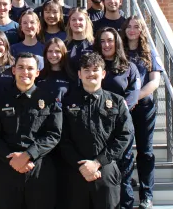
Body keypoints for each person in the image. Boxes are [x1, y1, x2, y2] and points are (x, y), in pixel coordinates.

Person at [0, 53, 63, 209]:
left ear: (37, 73)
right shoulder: (1, 99)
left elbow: (53, 134)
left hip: (38, 170)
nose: (25, 72)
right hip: (6, 168)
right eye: (21, 67)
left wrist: (28, 155)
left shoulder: (48, 100)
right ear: (13, 70)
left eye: (30, 68)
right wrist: (11, 159)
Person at [60, 52, 133, 209]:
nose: (91, 73)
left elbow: (125, 135)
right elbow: (62, 138)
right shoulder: (68, 103)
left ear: (103, 73)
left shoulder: (117, 102)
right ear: (79, 74)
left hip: (106, 170)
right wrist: (81, 166)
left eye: (95, 69)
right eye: (86, 70)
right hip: (76, 171)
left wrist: (98, 162)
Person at [94, 27, 141, 209]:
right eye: (103, 41)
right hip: (97, 127)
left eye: (110, 41)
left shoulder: (129, 67)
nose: (106, 45)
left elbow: (133, 94)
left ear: (117, 43)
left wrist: (116, 113)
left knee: (125, 171)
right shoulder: (94, 67)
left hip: (121, 125)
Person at [121, 16, 163, 209]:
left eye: (136, 26)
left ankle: (146, 195)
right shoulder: (119, 51)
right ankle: (127, 188)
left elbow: (154, 82)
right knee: (125, 151)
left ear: (142, 30)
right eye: (129, 26)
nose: (132, 30)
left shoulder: (149, 52)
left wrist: (134, 98)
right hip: (123, 110)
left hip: (144, 107)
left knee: (145, 152)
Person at [65, 8, 94, 80]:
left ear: (86, 22)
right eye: (73, 19)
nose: (77, 22)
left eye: (80, 19)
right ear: (69, 23)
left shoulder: (94, 45)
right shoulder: (64, 46)